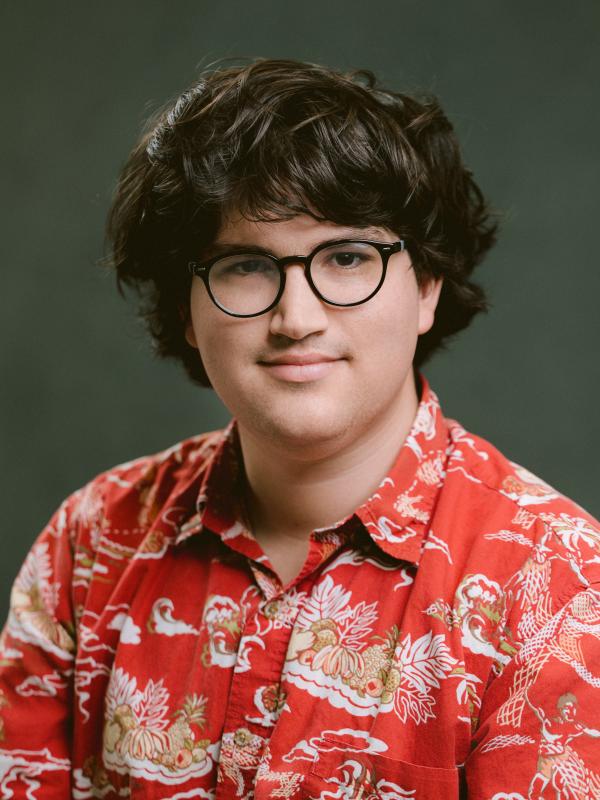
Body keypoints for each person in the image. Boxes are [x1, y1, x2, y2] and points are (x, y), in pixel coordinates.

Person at [0, 58, 598, 800]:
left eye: (347, 257)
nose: (297, 318)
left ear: (428, 287)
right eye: (247, 265)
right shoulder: (90, 546)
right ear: (185, 309)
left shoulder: (557, 585)